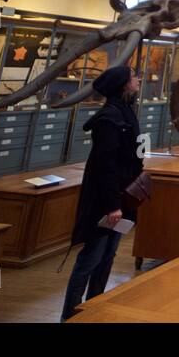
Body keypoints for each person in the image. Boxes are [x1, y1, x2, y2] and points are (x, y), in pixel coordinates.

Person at [61, 65, 144, 321]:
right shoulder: (108, 120)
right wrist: (112, 205)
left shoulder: (125, 113)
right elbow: (105, 165)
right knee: (91, 258)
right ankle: (70, 315)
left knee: (108, 255)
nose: (137, 80)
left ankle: (93, 309)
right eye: (133, 77)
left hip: (123, 200)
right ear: (123, 85)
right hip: (108, 203)